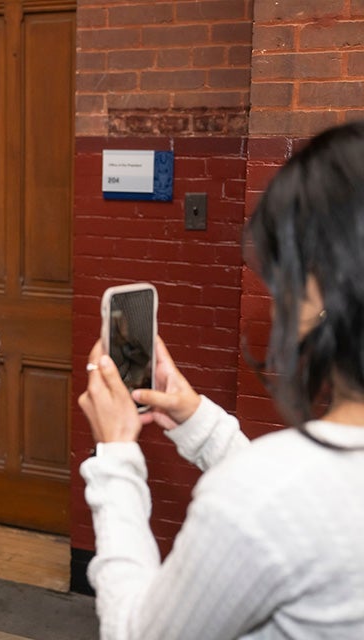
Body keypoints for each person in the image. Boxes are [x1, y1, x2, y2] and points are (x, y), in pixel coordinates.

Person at [78, 121, 364, 639]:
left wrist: (116, 456)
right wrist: (196, 418)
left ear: (324, 281)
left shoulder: (263, 495)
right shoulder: (288, 490)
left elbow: (137, 632)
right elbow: (296, 514)